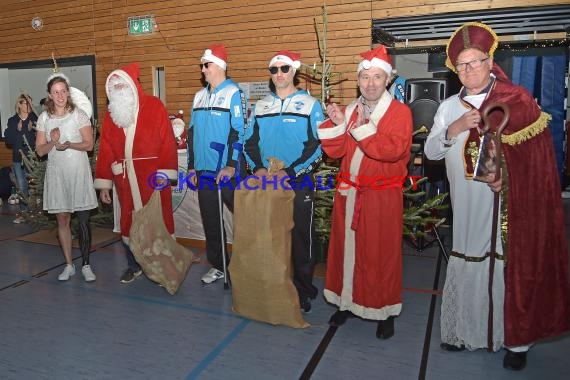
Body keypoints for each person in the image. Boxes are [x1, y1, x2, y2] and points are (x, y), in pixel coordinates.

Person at [424, 22, 570, 370]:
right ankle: (464, 331)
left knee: (506, 265)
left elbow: (535, 160)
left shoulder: (515, 99)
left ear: (490, 63)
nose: (468, 70)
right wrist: (455, 128)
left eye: (475, 62)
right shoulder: (447, 107)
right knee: (466, 259)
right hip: (464, 204)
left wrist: (511, 179)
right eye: (461, 65)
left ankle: (514, 342)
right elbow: (431, 153)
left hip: (507, 204)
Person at [317, 45, 412, 338]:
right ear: (358, 81)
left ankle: (384, 310)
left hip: (382, 196)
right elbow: (335, 150)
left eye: (376, 77)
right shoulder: (350, 111)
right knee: (346, 251)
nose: (370, 84)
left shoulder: (400, 113)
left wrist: (359, 127)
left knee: (381, 254)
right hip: (350, 193)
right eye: (365, 78)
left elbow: (392, 151)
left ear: (387, 80)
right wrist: (337, 123)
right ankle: (346, 302)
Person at [244, 50, 324, 312]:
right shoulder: (261, 106)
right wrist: (256, 169)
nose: (279, 74)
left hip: (297, 182)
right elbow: (248, 143)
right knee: (268, 237)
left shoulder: (311, 105)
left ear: (294, 71)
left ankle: (303, 290)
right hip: (266, 183)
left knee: (301, 239)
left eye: (284, 68)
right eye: (274, 70)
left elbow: (318, 146)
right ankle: (275, 284)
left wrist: (289, 173)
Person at [94, 62, 178, 284]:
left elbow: (168, 142)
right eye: (114, 87)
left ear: (133, 85)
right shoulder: (111, 115)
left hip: (152, 177)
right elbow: (106, 150)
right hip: (124, 179)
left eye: (122, 85)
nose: (118, 90)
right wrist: (104, 184)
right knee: (128, 225)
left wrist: (164, 173)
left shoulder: (154, 106)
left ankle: (163, 269)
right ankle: (134, 266)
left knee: (157, 224)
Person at [187, 44, 247, 285]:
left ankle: (248, 263)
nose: (202, 69)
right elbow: (191, 134)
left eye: (206, 64)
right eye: (202, 65)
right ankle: (219, 265)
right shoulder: (199, 96)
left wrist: (232, 164)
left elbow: (239, 131)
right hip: (204, 171)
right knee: (211, 220)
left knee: (244, 217)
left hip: (227, 170)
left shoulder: (234, 92)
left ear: (220, 66)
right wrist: (192, 166)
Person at [35, 73, 98, 282]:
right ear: (50, 95)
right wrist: (53, 142)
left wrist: (70, 144)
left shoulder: (79, 114)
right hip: (57, 175)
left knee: (82, 220)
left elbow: (89, 144)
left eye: (63, 91)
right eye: (56, 92)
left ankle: (86, 265)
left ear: (68, 93)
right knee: (62, 219)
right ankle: (69, 265)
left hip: (78, 173)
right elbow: (40, 151)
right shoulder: (44, 118)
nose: (60, 95)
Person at [4, 94, 37, 223]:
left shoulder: (34, 118)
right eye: (25, 103)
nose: (28, 106)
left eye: (29, 103)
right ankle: (24, 214)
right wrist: (17, 130)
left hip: (33, 159)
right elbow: (8, 140)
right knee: (22, 186)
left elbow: (41, 137)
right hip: (18, 159)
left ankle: (37, 213)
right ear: (19, 104)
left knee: (34, 186)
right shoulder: (12, 120)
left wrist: (32, 130)